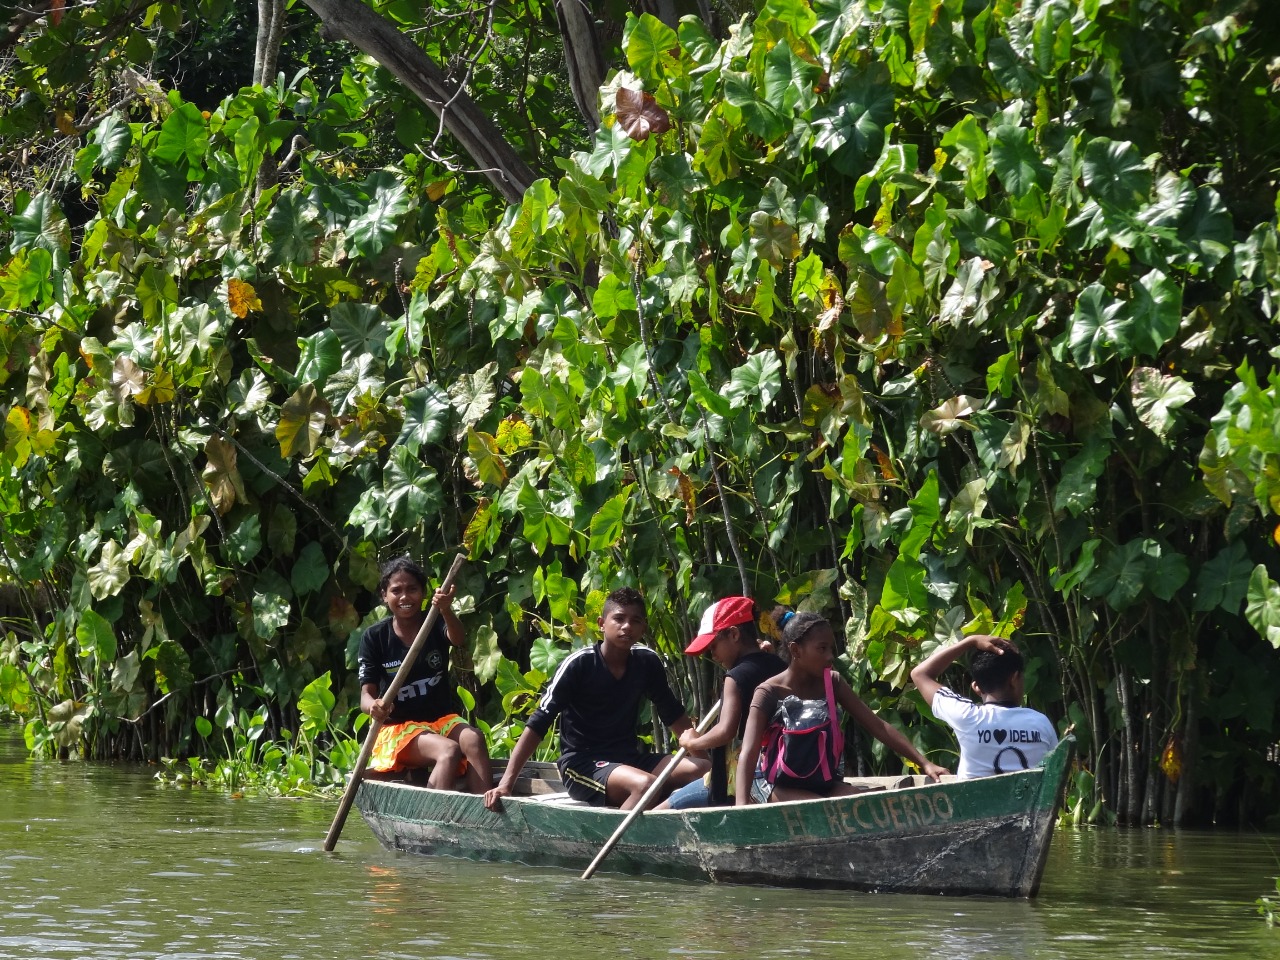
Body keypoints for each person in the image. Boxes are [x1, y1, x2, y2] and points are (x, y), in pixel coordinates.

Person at [483, 587, 708, 811]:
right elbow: (539, 721)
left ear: (643, 628)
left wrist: (710, 765)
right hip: (582, 765)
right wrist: (506, 784)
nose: (627, 626)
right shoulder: (579, 664)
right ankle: (622, 840)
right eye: (619, 619)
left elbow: (672, 713)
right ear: (602, 624)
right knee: (645, 785)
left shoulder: (646, 662)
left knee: (702, 770)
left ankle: (654, 815)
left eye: (635, 621)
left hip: (629, 759)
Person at [737, 608, 949, 804]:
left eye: (831, 648)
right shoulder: (768, 692)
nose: (830, 656)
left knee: (857, 803)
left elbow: (878, 726)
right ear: (796, 650)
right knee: (816, 808)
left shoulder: (833, 682)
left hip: (822, 781)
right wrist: (741, 807)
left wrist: (925, 763)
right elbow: (748, 752)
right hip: (777, 785)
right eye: (822, 649)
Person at [357, 556, 493, 793]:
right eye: (396, 591)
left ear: (423, 593)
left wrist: (446, 610)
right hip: (399, 729)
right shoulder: (375, 636)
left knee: (474, 738)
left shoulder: (435, 622)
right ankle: (433, 821)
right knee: (448, 751)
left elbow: (458, 639)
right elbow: (366, 695)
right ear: (384, 596)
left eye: (412, 589)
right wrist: (374, 707)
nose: (404, 597)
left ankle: (484, 810)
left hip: (440, 721)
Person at [659, 596, 785, 810]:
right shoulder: (778, 663)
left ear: (734, 634)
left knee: (658, 812)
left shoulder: (734, 677)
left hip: (737, 779)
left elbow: (726, 731)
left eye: (714, 645)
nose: (713, 655)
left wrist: (692, 742)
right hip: (774, 765)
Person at [910, 634, 1058, 778]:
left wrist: (970, 641)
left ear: (976, 687)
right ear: (1014, 679)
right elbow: (1056, 772)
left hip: (975, 802)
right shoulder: (1041, 722)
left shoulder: (966, 716)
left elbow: (920, 674)